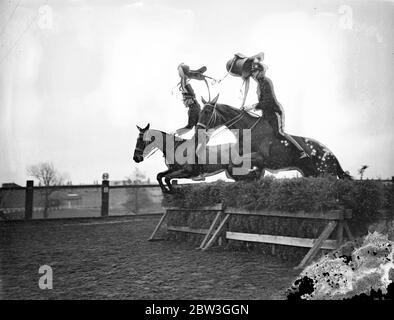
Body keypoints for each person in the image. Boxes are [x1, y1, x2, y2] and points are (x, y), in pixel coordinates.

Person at [226, 53, 310, 159]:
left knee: (279, 133)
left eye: (255, 72)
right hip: (266, 114)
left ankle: (300, 151)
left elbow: (268, 102)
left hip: (274, 113)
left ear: (260, 72)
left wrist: (252, 107)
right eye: (252, 73)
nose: (253, 75)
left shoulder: (265, 82)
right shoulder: (260, 83)